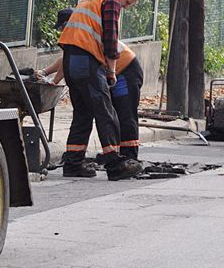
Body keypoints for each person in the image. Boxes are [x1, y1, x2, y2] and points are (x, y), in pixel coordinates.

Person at [57, 0, 143, 181]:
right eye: (127, 2)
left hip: (71, 61)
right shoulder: (110, 1)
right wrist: (112, 72)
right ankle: (115, 164)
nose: (124, 7)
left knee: (83, 114)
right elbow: (110, 39)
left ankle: (73, 164)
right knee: (106, 113)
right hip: (88, 62)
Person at [37, 9, 144, 161]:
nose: (62, 30)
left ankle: (129, 156)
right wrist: (45, 73)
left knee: (124, 113)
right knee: (104, 113)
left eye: (63, 26)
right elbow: (66, 59)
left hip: (126, 71)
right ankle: (113, 155)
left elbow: (66, 61)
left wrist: (53, 81)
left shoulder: (85, 34)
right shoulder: (77, 35)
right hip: (111, 73)